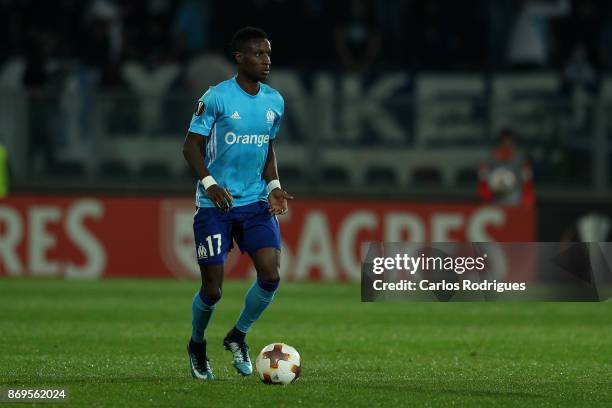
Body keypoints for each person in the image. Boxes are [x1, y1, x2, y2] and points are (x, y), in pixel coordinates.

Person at [182, 26, 292, 380]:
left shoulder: (274, 100)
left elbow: (267, 146)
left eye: (269, 54)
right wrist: (210, 184)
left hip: (254, 203)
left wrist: (273, 184)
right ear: (240, 58)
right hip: (216, 206)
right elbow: (190, 146)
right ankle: (197, 343)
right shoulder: (216, 97)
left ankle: (237, 335)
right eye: (259, 54)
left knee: (271, 274)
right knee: (213, 290)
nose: (266, 60)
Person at [478, 129, 534, 207]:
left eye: (510, 141)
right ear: (500, 142)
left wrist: (527, 201)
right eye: (504, 141)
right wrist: (486, 197)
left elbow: (527, 181)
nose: (507, 144)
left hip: (515, 199)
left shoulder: (521, 160)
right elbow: (483, 180)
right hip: (494, 199)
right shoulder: (490, 160)